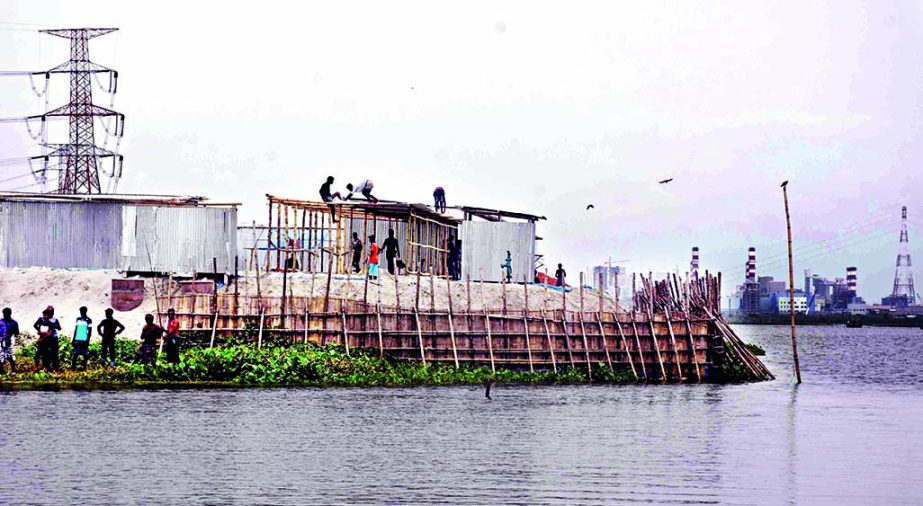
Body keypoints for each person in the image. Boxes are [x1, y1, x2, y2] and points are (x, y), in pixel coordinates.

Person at [33, 306, 62, 371]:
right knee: (45, 353)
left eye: (52, 312)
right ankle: (46, 366)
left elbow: (59, 328)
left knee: (54, 353)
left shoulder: (54, 319)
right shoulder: (42, 318)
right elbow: (36, 325)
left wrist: (53, 326)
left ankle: (55, 367)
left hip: (53, 338)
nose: (51, 313)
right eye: (50, 312)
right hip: (45, 338)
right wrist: (39, 331)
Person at [0, 308, 19, 376]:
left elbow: (16, 333)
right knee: (1, 355)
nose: (5, 315)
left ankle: (13, 369)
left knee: (11, 355)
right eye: (4, 313)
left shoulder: (14, 323)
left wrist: (11, 338)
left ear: (10, 313)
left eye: (6, 313)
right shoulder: (0, 322)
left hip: (9, 340)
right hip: (0, 340)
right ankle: (1, 370)